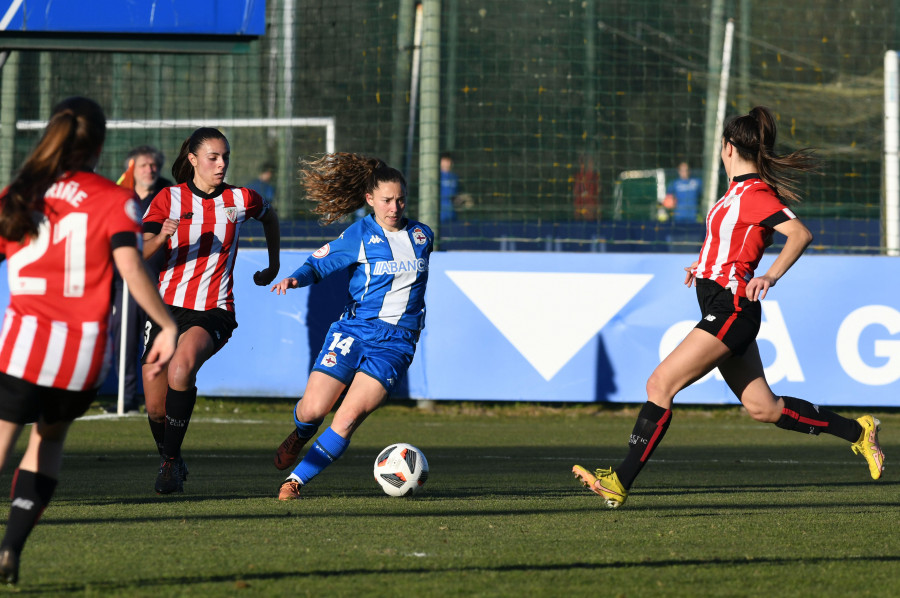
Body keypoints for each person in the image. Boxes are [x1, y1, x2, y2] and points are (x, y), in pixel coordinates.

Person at [573, 106, 884, 508]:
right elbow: (732, 247)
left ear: (728, 147)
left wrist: (769, 277)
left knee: (659, 384)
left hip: (734, 309)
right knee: (764, 408)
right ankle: (858, 432)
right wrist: (701, 266)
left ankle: (620, 480)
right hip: (724, 303)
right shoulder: (733, 196)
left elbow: (799, 234)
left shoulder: (753, 195)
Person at [0, 97, 177, 584]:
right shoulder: (113, 199)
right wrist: (166, 324)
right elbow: (130, 266)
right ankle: (10, 547)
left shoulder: (20, 193)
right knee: (47, 443)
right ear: (100, 145)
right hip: (79, 358)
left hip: (22, 346)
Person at [270, 153, 433, 500]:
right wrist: (295, 279)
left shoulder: (422, 236)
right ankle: (300, 433)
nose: (394, 207)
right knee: (314, 410)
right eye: (386, 200)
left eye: (400, 199)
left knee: (347, 417)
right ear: (370, 199)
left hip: (396, 344)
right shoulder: (359, 234)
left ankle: (295, 482)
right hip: (354, 331)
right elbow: (318, 263)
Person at [142, 127, 281, 494]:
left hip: (213, 308)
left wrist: (273, 265)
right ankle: (172, 455)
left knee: (182, 367)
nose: (221, 164)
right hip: (165, 309)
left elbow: (270, 217)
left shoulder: (241, 198)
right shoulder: (167, 200)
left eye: (225, 157)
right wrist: (161, 237)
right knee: (155, 408)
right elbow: (137, 253)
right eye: (213, 157)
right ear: (192, 159)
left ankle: (169, 467)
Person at [107, 145, 173, 413]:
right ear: (131, 169)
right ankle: (127, 397)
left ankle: (158, 400)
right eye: (144, 165)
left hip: (164, 280)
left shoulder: (170, 195)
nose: (150, 170)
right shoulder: (120, 196)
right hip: (128, 282)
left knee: (162, 338)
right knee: (125, 338)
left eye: (153, 165)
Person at [439, 152, 459, 223]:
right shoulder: (436, 176)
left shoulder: (455, 177)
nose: (447, 163)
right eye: (445, 160)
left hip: (452, 216)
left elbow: (456, 196)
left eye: (449, 161)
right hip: (439, 217)